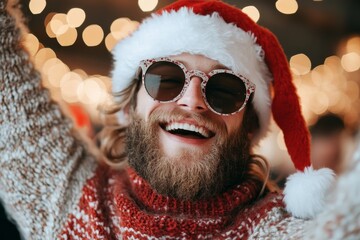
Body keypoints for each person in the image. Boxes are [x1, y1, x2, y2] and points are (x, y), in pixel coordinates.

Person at [2, 0, 359, 239]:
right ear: (129, 106)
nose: (192, 100)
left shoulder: (281, 231)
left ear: (250, 126)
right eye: (166, 79)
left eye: (225, 90)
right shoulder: (63, 195)